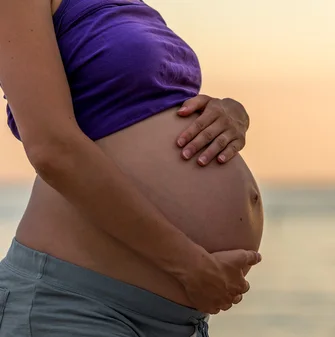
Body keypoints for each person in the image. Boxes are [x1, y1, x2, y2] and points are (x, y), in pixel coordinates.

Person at [0, 0, 264, 336]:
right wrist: (188, 265)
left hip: (176, 320)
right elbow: (52, 148)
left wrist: (232, 113)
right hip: (75, 306)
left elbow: (149, 102)